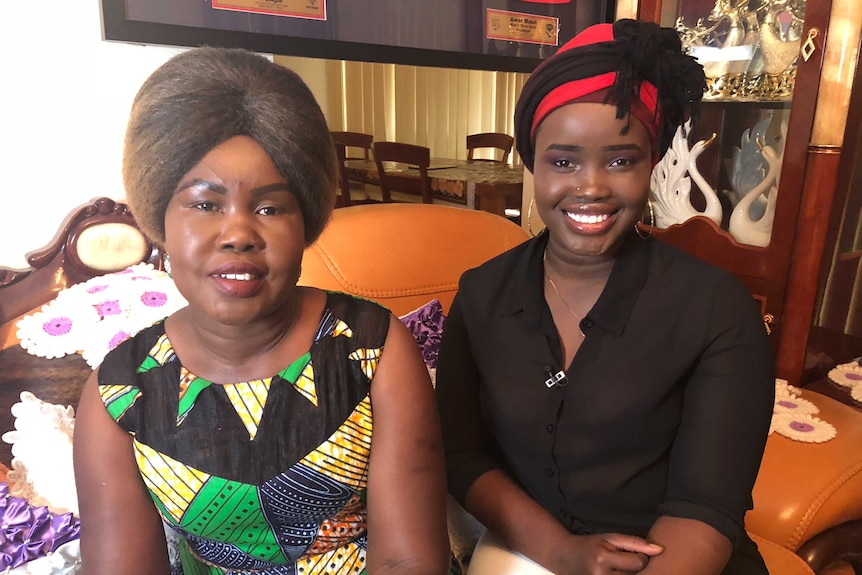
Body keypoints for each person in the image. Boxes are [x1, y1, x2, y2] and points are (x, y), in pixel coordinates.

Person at [73, 47, 451, 575]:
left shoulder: (373, 349)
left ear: (307, 222)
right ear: (159, 215)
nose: (238, 235)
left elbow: (410, 562)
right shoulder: (118, 395)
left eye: (271, 207)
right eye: (205, 204)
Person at [436, 19, 775, 575]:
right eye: (563, 161)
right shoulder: (482, 294)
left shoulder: (716, 308)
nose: (590, 186)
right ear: (532, 162)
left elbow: (705, 506)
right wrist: (560, 550)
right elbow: (460, 454)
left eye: (620, 161)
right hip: (531, 549)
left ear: (651, 163)